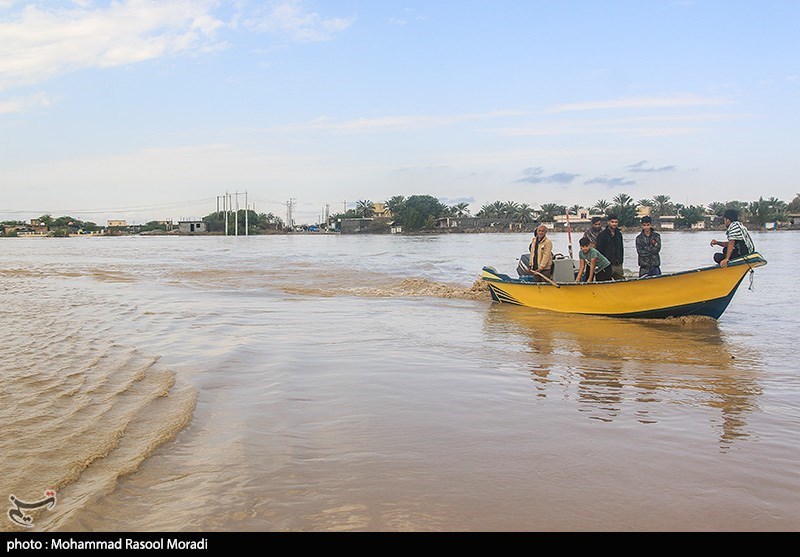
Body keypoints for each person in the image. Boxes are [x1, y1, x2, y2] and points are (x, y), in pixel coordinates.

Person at [595, 214, 624, 280]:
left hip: (618, 264)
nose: (614, 224)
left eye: (616, 222)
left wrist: (621, 261)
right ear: (608, 222)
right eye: (612, 222)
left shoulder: (619, 234)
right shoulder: (602, 235)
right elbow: (599, 251)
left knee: (621, 283)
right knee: (607, 283)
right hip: (607, 264)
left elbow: (621, 249)